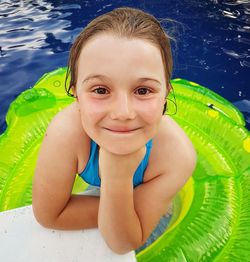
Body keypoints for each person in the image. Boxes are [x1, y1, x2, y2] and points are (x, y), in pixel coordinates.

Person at [32, 7, 197, 254]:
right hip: (106, 199)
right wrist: (119, 202)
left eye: (143, 91)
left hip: (154, 207)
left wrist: (118, 178)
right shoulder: (66, 133)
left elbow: (123, 243)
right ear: (76, 94)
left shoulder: (176, 155)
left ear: (165, 94)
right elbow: (48, 216)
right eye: (100, 90)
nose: (123, 113)